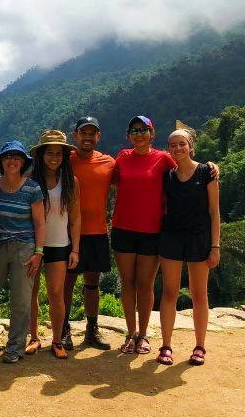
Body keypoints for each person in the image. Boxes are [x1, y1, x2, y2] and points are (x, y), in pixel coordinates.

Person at [157, 123, 220, 366]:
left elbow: (214, 213)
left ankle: (200, 346)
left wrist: (215, 246)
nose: (177, 148)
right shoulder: (167, 176)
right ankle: (166, 346)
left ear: (191, 147)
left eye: (182, 143)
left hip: (199, 239)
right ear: (169, 149)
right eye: (173, 145)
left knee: (199, 294)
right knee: (170, 292)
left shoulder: (207, 173)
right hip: (172, 236)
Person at [112, 115, 176, 355]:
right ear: (129, 135)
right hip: (123, 228)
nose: (138, 134)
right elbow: (115, 182)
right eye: (134, 130)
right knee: (127, 283)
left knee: (145, 284)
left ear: (152, 133)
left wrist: (210, 167)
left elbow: (186, 173)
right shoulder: (123, 157)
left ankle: (144, 334)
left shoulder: (163, 158)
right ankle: (130, 333)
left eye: (143, 130)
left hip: (152, 230)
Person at [0, 140, 46, 364]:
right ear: (1, 161)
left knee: (21, 300)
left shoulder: (32, 188)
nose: (12, 161)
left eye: (17, 157)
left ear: (23, 163)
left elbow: (40, 223)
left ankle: (15, 347)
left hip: (24, 248)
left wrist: (39, 252)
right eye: (8, 156)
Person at [27, 130, 81, 359]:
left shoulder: (71, 181)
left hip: (59, 243)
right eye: (49, 153)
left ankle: (57, 340)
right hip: (32, 243)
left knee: (56, 293)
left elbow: (76, 217)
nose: (54, 158)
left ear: (64, 156)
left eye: (58, 153)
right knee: (31, 292)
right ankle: (33, 337)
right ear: (41, 155)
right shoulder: (30, 181)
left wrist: (75, 249)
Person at [65, 117, 114, 351]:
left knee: (92, 284)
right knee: (67, 283)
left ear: (98, 136)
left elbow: (136, 179)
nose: (87, 137)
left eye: (91, 133)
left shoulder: (109, 162)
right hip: (68, 233)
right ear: (75, 136)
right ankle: (63, 330)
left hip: (97, 231)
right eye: (83, 132)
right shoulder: (65, 161)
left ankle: (91, 329)